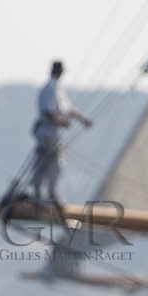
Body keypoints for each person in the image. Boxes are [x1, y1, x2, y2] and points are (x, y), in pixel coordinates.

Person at [31, 60, 92, 203]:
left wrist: (83, 119)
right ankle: (42, 192)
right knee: (48, 161)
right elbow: (48, 112)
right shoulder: (50, 88)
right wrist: (62, 122)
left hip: (51, 131)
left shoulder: (56, 88)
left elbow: (68, 108)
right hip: (47, 130)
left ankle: (47, 192)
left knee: (52, 162)